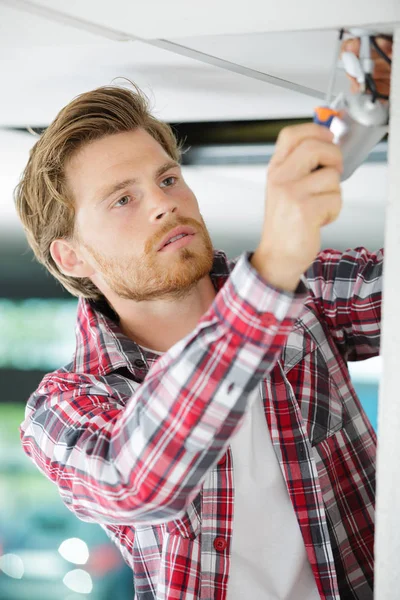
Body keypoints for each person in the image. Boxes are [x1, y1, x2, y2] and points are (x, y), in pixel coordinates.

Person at [15, 36, 392, 599]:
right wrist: (268, 275)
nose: (165, 202)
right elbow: (134, 481)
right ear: (71, 256)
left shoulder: (303, 292)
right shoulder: (61, 408)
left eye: (167, 179)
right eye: (123, 199)